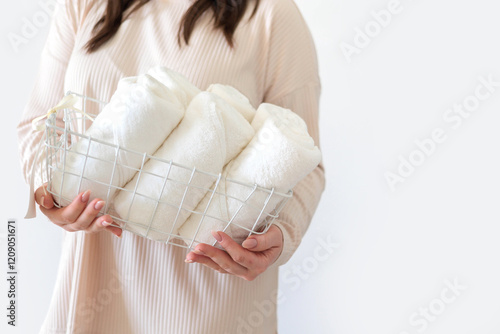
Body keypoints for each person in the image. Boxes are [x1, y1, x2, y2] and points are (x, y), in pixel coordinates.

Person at [17, 0, 325, 332]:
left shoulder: (270, 14)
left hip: (208, 294)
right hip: (90, 286)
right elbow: (39, 122)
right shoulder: (83, 4)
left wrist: (279, 236)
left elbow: (303, 163)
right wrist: (47, 188)